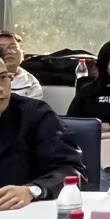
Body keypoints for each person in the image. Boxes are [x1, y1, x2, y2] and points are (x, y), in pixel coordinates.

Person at [0, 68, 86, 211]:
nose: (1, 89)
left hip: (21, 213)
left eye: (4, 77)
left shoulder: (35, 114)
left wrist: (32, 190)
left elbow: (70, 169)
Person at [0, 30, 43, 100]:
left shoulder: (31, 84)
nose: (8, 52)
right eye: (1, 48)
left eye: (13, 47)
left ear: (23, 54)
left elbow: (33, 106)